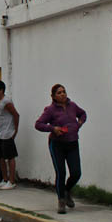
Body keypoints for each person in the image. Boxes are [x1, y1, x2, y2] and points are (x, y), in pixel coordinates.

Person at [35, 84, 87, 214]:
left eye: (64, 92)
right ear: (53, 96)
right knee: (61, 172)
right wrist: (53, 129)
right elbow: (39, 124)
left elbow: (83, 114)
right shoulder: (50, 110)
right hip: (57, 144)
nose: (63, 94)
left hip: (73, 142)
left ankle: (67, 190)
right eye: (59, 93)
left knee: (76, 172)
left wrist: (79, 124)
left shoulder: (73, 106)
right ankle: (61, 200)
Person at [0, 80, 19, 190]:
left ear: (1, 90)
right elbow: (0, 117)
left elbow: (16, 115)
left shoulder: (6, 101)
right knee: (0, 157)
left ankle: (12, 181)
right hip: (0, 133)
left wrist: (15, 130)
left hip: (8, 133)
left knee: (10, 157)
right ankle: (4, 179)